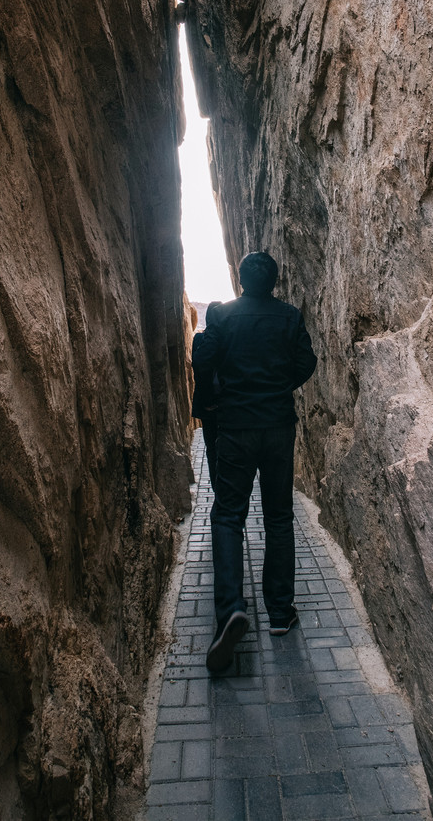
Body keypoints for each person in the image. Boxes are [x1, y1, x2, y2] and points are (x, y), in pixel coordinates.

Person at [193, 251, 317, 673]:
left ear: (242, 280)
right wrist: (277, 386)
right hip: (278, 426)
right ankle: (280, 613)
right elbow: (307, 363)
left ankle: (230, 610)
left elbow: (204, 358)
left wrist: (233, 383)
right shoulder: (289, 316)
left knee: (229, 515)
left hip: (235, 427)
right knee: (279, 517)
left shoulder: (223, 316)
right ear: (275, 280)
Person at [191, 300, 223, 489]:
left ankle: (220, 487)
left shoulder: (200, 340)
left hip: (211, 404)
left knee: (213, 448)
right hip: (216, 403)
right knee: (216, 448)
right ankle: (221, 487)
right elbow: (200, 367)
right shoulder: (201, 340)